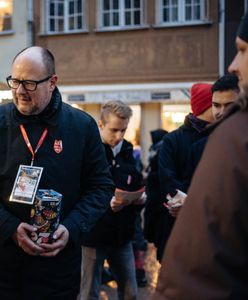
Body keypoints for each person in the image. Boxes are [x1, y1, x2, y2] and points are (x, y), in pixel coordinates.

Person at [0, 46, 114, 300]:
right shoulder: (0, 121)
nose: (19, 91)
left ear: (52, 83)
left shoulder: (82, 126)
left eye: (29, 83)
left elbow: (101, 187)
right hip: (4, 266)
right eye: (15, 81)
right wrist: (9, 227)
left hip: (57, 272)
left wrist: (72, 228)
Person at [153, 12, 248, 300]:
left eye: (243, 51)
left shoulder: (234, 136)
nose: (234, 63)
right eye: (215, 105)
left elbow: (197, 275)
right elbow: (164, 177)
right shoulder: (219, 135)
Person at [79, 101, 144, 300]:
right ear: (101, 125)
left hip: (121, 235)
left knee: (131, 292)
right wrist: (107, 203)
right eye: (114, 130)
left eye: (124, 130)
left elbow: (135, 182)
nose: (119, 136)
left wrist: (137, 199)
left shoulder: (127, 150)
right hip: (93, 235)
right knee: (89, 292)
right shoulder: (88, 150)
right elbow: (79, 190)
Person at [155, 83, 214, 262]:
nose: (222, 111)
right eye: (216, 105)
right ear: (206, 106)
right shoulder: (172, 140)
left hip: (210, 223)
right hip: (178, 223)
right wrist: (186, 203)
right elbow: (166, 177)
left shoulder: (221, 135)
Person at [182, 74, 239, 192]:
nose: (222, 112)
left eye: (229, 105)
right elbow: (190, 191)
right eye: (216, 105)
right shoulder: (198, 149)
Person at [143, 129, 168, 260]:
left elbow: (159, 172)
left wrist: (149, 175)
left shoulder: (162, 149)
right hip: (153, 192)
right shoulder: (155, 149)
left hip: (158, 194)